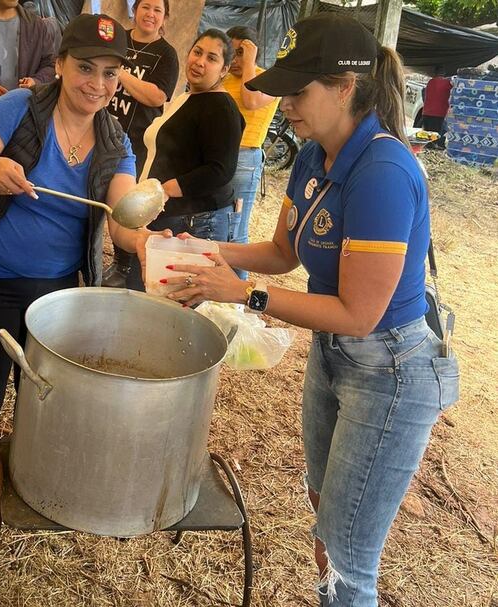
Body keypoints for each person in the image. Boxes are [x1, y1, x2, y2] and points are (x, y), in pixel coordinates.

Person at [161, 13, 459, 606]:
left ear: (346, 87)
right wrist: (204, 248)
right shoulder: (313, 156)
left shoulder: (383, 169)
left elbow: (360, 314)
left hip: (391, 370)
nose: (283, 104)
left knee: (351, 557)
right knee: (325, 512)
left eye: (299, 91)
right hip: (334, 354)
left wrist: (245, 293)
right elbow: (281, 250)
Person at [0, 14, 167, 601]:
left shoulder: (115, 142)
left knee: (44, 407)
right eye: (86, 67)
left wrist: (158, 244)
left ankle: (33, 493)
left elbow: (122, 224)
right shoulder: (18, 112)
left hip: (57, 297)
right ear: (59, 65)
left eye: (111, 72)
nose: (98, 83)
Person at [124, 28, 244, 291]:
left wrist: (163, 191)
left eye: (212, 58)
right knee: (148, 294)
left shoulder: (221, 108)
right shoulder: (190, 97)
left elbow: (219, 170)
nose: (200, 61)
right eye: (197, 52)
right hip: (171, 217)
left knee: (169, 300)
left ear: (224, 70)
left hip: (194, 222)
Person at [103, 0, 179, 287]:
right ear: (135, 9)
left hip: (135, 143)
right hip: (99, 134)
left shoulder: (166, 54)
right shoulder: (117, 38)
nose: (150, 14)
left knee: (126, 206)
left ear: (164, 18)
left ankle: (122, 266)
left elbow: (157, 96)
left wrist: (120, 73)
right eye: (145, 7)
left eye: (157, 10)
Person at [224, 26, 279, 279]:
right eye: (231, 52)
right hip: (216, 157)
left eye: (240, 52)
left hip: (244, 159)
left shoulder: (267, 79)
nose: (234, 59)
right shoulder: (222, 78)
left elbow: (251, 101)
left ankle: (236, 293)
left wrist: (249, 63)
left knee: (236, 231)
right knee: (212, 225)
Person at [422, 66, 452, 149]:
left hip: (426, 112)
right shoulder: (447, 84)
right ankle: (438, 146)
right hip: (438, 114)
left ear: (435, 73)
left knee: (428, 137)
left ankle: (428, 148)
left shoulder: (430, 82)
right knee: (437, 137)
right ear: (444, 74)